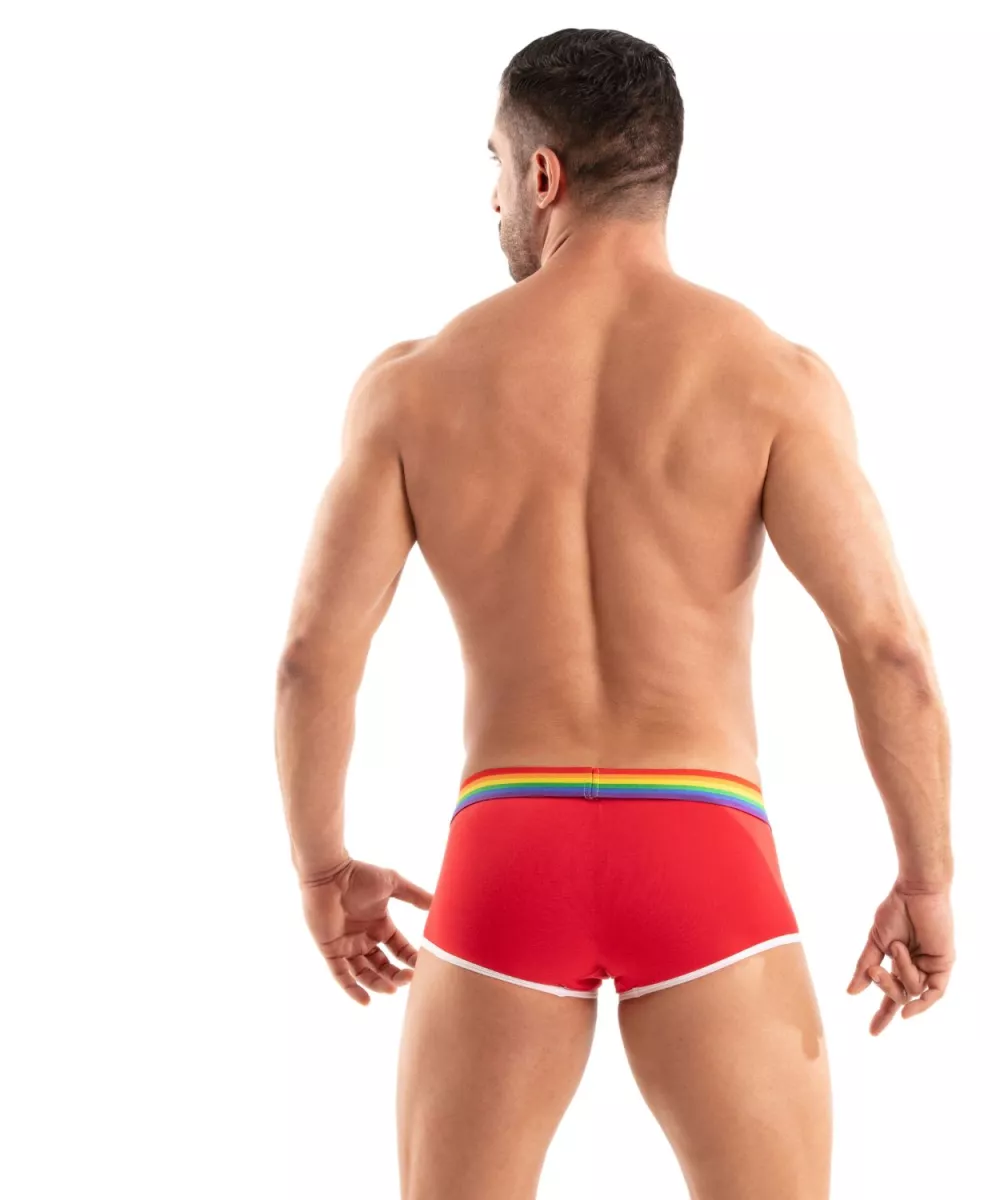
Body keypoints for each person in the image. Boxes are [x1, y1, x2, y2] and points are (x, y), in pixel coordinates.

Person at [274, 26, 954, 1200]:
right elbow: (888, 647)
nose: (492, 198)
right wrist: (926, 882)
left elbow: (309, 661)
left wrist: (323, 870)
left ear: (544, 175)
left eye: (495, 167)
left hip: (508, 846)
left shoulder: (413, 389)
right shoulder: (772, 378)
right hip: (702, 846)